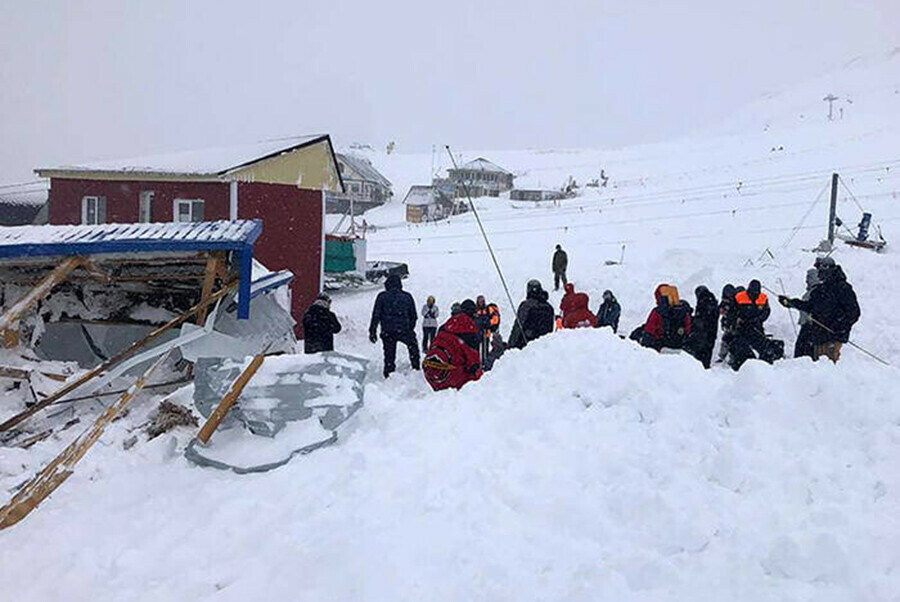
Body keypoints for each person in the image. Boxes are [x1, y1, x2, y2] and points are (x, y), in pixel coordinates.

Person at [778, 258, 860, 363]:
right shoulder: (821, 289)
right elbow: (809, 306)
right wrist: (791, 303)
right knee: (809, 364)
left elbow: (854, 313)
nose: (818, 274)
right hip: (818, 335)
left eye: (820, 271)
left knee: (827, 368)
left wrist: (839, 328)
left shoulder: (843, 288)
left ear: (828, 270)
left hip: (832, 337)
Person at [423, 299, 483, 391]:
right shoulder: (471, 329)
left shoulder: (446, 325)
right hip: (454, 379)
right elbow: (474, 362)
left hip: (432, 376)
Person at [369, 274, 419, 378]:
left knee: (389, 354)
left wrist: (372, 331)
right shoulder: (407, 296)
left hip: (388, 330)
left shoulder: (382, 296)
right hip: (404, 329)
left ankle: (389, 373)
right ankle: (416, 367)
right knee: (413, 347)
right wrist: (409, 328)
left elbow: (376, 315)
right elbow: (413, 315)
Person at [729, 279, 782, 370]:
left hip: (756, 328)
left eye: (756, 293)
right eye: (752, 293)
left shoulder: (763, 298)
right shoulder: (739, 297)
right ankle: (740, 364)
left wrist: (758, 319)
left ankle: (765, 365)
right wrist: (737, 319)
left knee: (764, 346)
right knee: (740, 346)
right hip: (742, 328)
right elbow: (731, 312)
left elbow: (766, 311)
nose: (754, 295)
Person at [635, 284, 692, 351]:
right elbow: (688, 329)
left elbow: (649, 331)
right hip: (680, 344)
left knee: (638, 333)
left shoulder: (657, 312)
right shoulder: (684, 310)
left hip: (661, 345)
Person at [508, 279, 555, 349]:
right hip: (544, 347)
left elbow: (518, 327)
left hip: (526, 345)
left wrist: (511, 346)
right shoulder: (549, 307)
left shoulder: (526, 306)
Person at [685, 286, 719, 368]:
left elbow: (700, 319)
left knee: (699, 353)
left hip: (702, 333)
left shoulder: (703, 302)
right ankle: (706, 367)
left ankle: (700, 369)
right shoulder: (713, 303)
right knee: (707, 352)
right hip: (712, 333)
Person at [793, 269, 820, 359]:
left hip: (811, 326)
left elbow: (807, 307)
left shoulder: (816, 293)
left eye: (809, 278)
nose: (806, 280)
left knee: (804, 350)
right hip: (806, 325)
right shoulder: (809, 293)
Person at [474, 295, 501, 366]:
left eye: (482, 301)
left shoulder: (488, 309)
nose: (481, 302)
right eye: (479, 301)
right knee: (475, 349)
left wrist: (488, 323)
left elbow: (495, 319)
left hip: (486, 332)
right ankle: (477, 364)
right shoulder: (475, 310)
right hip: (477, 333)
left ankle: (484, 364)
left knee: (485, 349)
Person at [716, 284, 738, 363]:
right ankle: (722, 356)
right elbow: (720, 308)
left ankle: (733, 356)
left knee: (734, 341)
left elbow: (735, 313)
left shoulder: (736, 301)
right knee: (725, 340)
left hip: (735, 325)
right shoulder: (724, 301)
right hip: (728, 324)